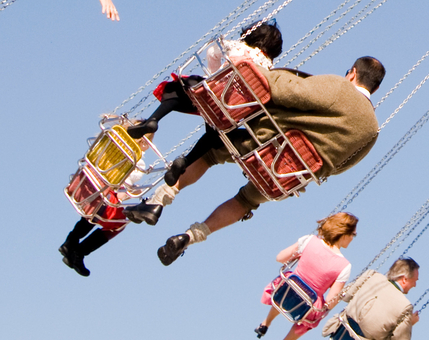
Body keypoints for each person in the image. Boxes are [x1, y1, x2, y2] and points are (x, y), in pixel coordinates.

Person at [131, 56, 385, 262]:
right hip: (289, 177)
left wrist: (269, 73)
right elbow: (343, 165)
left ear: (352, 73)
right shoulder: (372, 130)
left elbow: (290, 92)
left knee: (210, 153)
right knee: (245, 201)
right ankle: (189, 237)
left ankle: (159, 202)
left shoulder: (340, 87)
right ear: (375, 87)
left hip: (261, 144)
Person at [125, 19, 285, 141]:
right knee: (212, 136)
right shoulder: (269, 69)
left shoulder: (240, 47)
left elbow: (212, 51)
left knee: (177, 89)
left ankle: (153, 120)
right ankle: (185, 161)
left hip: (214, 92)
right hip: (230, 109)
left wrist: (213, 77)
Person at [257, 211, 359, 340]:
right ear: (344, 233)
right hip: (308, 304)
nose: (353, 238)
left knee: (285, 288)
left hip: (289, 289)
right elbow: (331, 301)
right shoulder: (344, 266)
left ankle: (266, 323)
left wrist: (298, 255)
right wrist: (338, 291)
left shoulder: (310, 240)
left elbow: (280, 258)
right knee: (312, 320)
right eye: (353, 234)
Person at [322, 257, 421, 340]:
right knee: (389, 338)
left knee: (364, 330)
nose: (415, 285)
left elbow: (346, 296)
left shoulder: (371, 276)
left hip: (341, 330)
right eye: (414, 280)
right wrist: (409, 324)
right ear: (404, 279)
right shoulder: (405, 306)